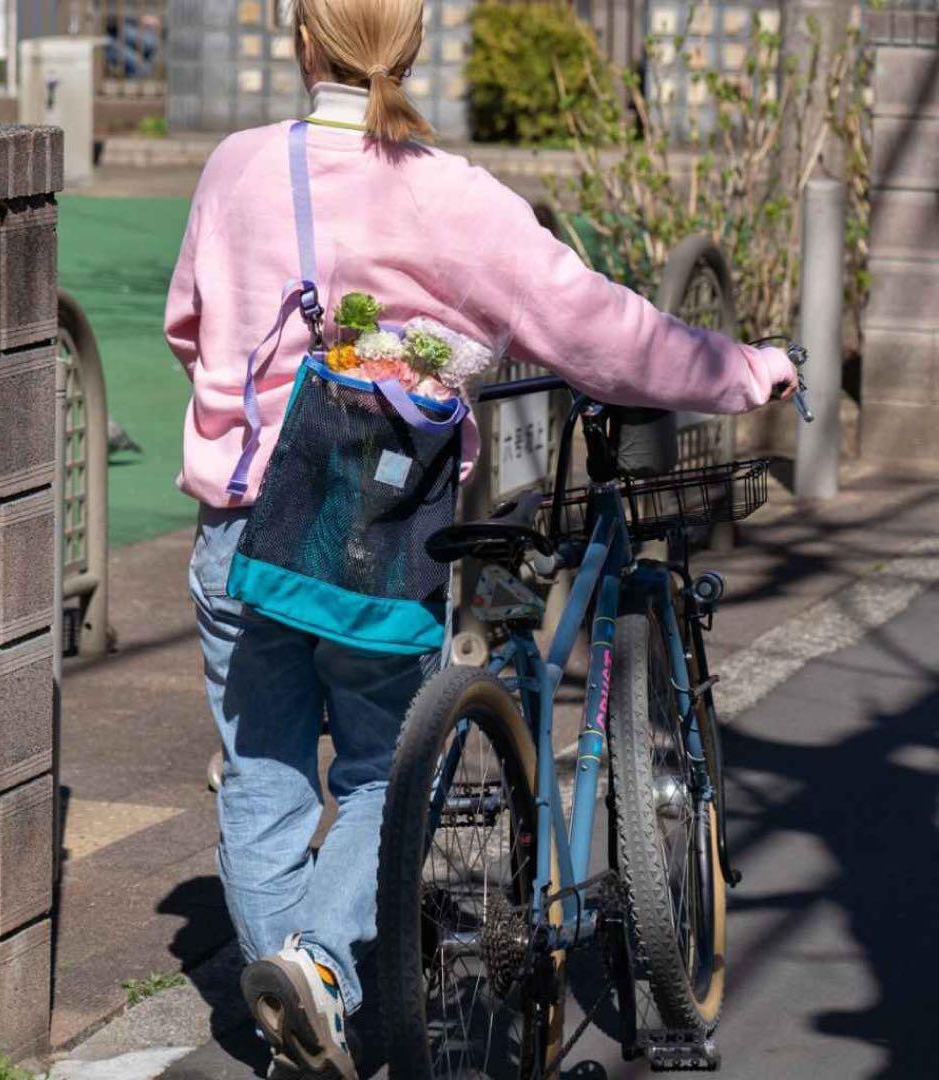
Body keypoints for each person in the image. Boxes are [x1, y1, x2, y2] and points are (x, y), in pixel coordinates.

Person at [163, 1, 798, 1075]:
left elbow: (188, 324)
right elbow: (595, 328)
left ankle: (293, 1016)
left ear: (304, 41)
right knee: (385, 773)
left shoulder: (235, 167)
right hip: (379, 537)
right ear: (412, 47)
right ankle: (319, 970)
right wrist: (744, 371)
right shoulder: (451, 196)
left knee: (263, 773)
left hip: (241, 523)